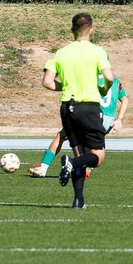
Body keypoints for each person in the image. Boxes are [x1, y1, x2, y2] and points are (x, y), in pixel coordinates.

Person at [42, 12, 116, 209]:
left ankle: (78, 200)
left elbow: (47, 82)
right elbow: (109, 78)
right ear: (91, 29)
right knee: (97, 157)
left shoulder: (61, 53)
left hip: (67, 107)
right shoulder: (97, 51)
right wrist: (103, 89)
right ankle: (71, 165)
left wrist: (65, 87)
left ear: (72, 29)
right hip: (88, 106)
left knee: (79, 154)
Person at [27, 76, 127, 177]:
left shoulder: (91, 76)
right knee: (92, 148)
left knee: (61, 136)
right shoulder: (115, 81)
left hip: (93, 115)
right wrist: (119, 119)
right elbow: (125, 99)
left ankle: (43, 167)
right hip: (108, 121)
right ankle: (85, 168)